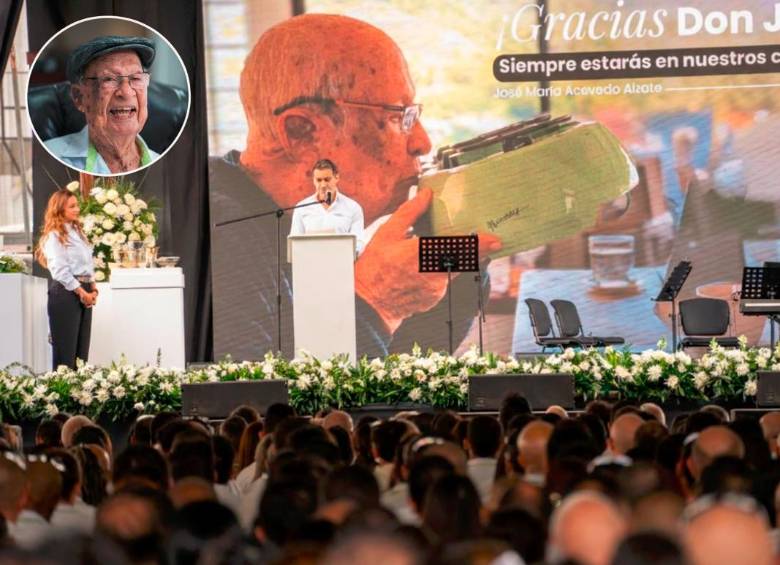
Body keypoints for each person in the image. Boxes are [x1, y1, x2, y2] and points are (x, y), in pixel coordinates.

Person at [209, 13, 500, 359]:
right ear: (302, 133)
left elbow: (399, 367)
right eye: (399, 117)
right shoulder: (220, 235)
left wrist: (459, 260)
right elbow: (272, 393)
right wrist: (376, 300)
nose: (422, 142)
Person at [43, 35, 159, 174]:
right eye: (109, 79)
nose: (127, 92)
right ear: (79, 97)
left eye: (136, 78)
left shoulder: (163, 165)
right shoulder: (47, 157)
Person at [35, 189, 97, 369]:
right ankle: (62, 386)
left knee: (81, 354)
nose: (77, 209)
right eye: (72, 206)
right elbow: (60, 271)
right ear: (59, 209)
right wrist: (82, 292)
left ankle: (79, 387)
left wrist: (93, 289)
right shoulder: (53, 236)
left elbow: (88, 264)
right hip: (66, 292)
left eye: (77, 205)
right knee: (65, 352)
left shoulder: (78, 233)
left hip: (84, 289)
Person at [290, 159, 366, 254]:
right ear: (313, 180)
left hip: (341, 260)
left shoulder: (353, 208)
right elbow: (295, 243)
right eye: (319, 180)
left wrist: (348, 254)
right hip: (310, 260)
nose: (323, 185)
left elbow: (358, 243)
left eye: (327, 180)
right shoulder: (302, 208)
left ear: (336, 177)